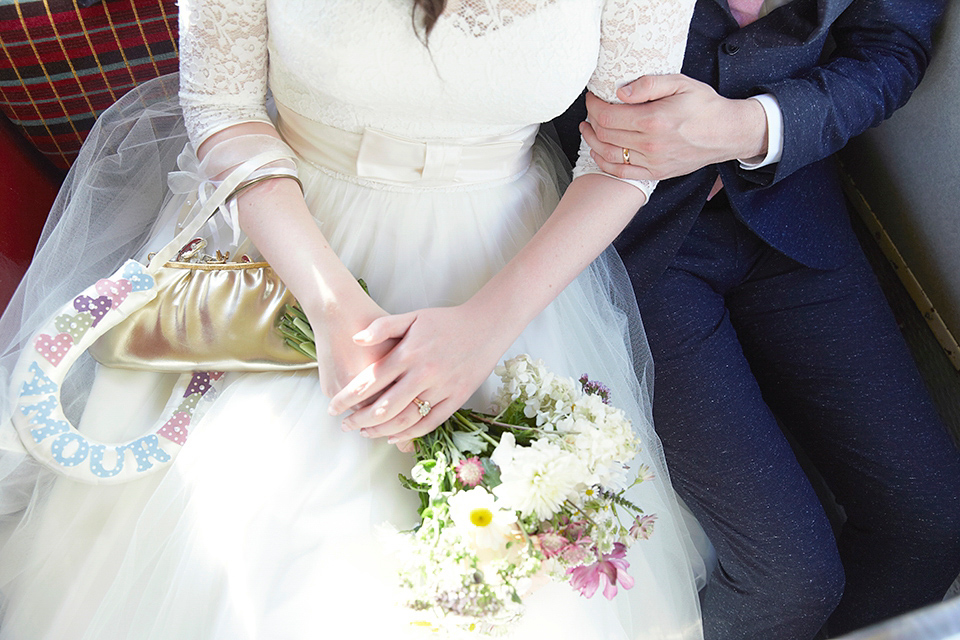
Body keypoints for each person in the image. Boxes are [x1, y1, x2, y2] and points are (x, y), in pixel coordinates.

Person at [0, 1, 706, 638]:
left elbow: (627, 156)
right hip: (292, 241)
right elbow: (222, 106)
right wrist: (333, 308)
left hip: (513, 263)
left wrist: (487, 327)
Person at [552, 0, 960, 637]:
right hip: (626, 235)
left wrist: (748, 128)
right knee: (789, 580)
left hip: (792, 212)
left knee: (930, 522)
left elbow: (890, 47)